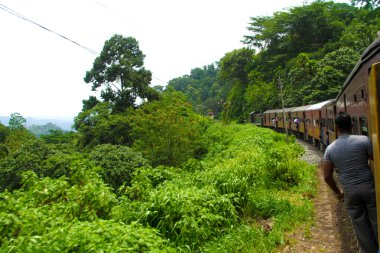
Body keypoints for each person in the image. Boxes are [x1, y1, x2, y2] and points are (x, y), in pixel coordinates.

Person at [323, 112, 378, 253]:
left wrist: (338, 193)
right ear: (352, 125)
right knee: (377, 221)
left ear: (335, 128)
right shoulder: (363, 140)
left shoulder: (330, 149)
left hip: (350, 191)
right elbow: (375, 160)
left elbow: (327, 176)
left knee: (361, 228)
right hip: (369, 187)